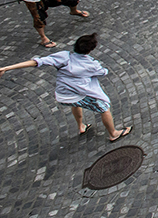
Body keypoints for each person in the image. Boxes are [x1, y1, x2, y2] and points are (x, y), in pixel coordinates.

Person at [0, 33, 130, 142]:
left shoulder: (64, 56)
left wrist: (6, 67)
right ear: (90, 50)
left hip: (63, 95)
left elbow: (37, 62)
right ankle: (113, 133)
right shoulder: (91, 64)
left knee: (76, 104)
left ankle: (81, 126)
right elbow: (103, 72)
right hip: (79, 94)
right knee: (104, 108)